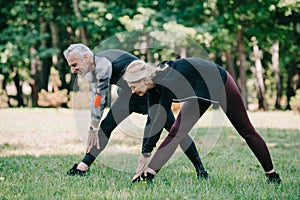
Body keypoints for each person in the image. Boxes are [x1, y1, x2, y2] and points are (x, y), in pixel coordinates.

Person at [63, 44, 209, 182]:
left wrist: (93, 127)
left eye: (74, 65)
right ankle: (83, 166)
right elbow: (96, 98)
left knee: (174, 130)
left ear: (87, 57)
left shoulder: (103, 65)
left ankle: (201, 170)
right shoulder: (93, 69)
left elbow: (100, 97)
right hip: (129, 96)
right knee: (107, 125)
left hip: (147, 93)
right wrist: (94, 127)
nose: (73, 70)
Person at [123, 58, 281, 184]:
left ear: (143, 80)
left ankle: (272, 175)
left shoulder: (165, 79)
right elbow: (154, 122)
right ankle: (148, 176)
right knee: (176, 133)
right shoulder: (152, 87)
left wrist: (147, 153)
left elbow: (162, 115)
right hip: (199, 89)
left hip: (219, 81)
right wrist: (144, 155)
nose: (132, 91)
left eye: (133, 86)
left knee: (247, 132)